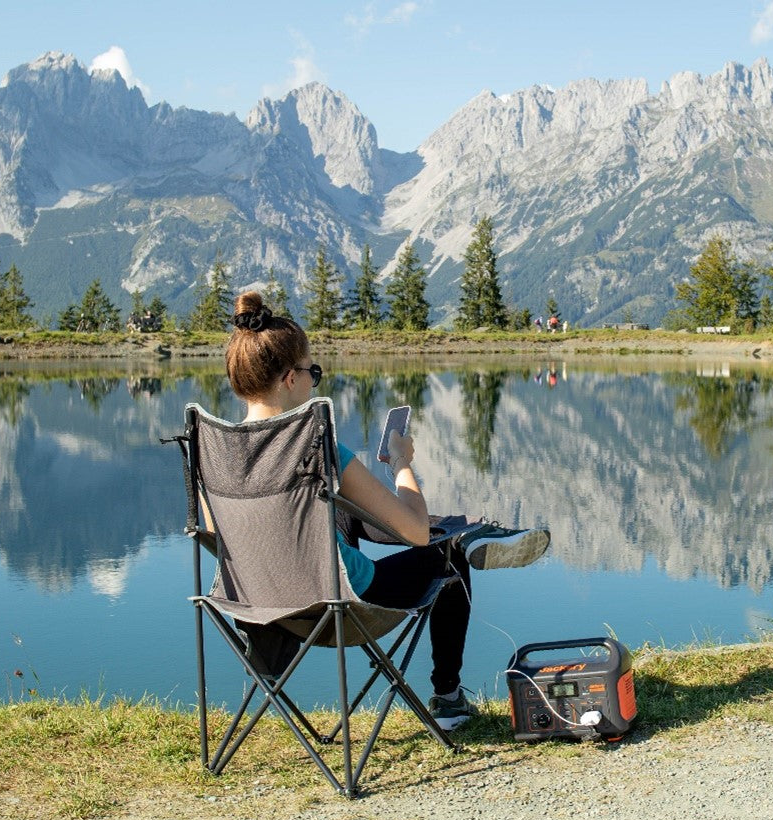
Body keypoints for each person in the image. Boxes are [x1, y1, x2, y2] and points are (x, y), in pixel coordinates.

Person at [224, 290, 550, 729]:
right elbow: (414, 530)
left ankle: (464, 532)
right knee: (443, 556)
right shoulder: (315, 446)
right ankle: (449, 693)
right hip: (340, 603)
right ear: (288, 378)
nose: (312, 381)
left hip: (262, 606)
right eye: (311, 371)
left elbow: (217, 536)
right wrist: (400, 462)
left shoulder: (215, 453)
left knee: (333, 506)